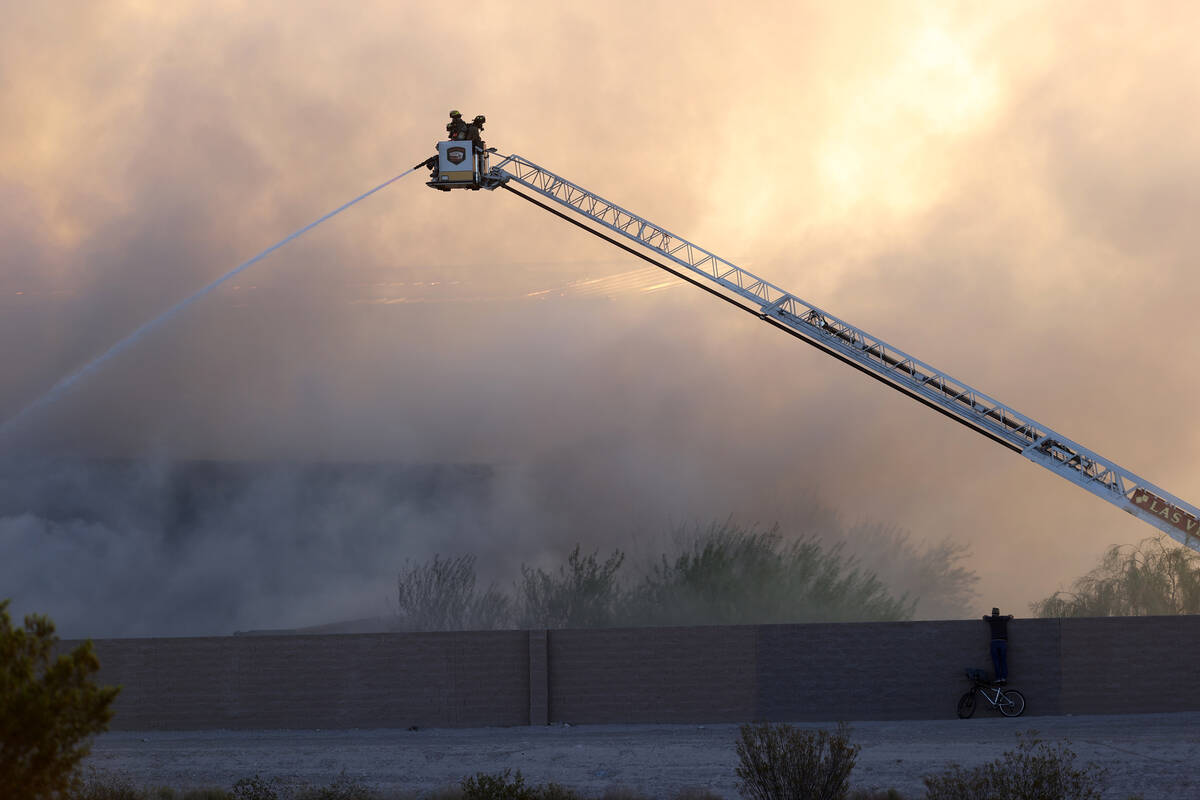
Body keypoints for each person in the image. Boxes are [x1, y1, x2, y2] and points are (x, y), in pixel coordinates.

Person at [983, 607, 1014, 684]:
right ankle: (1003, 678)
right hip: (1003, 642)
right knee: (1003, 661)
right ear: (998, 613)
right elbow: (1010, 616)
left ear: (992, 613)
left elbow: (984, 617)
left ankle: (998, 678)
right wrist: (1010, 616)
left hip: (994, 642)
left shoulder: (990, 619)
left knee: (996, 661)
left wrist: (985, 616)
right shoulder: (1003, 618)